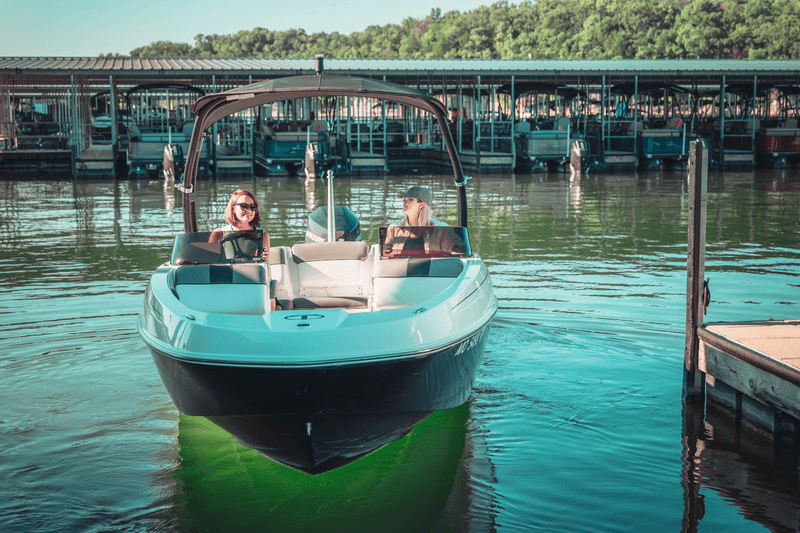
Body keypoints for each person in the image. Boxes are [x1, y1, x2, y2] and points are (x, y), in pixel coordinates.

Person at [384, 186, 465, 255]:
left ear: (421, 205)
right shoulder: (394, 228)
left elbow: (459, 251)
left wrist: (455, 250)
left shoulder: (442, 229)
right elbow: (385, 255)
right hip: (400, 272)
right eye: (404, 198)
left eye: (408, 199)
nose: (403, 201)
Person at [209, 189, 270, 262]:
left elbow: (264, 267)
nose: (249, 210)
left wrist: (263, 258)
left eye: (252, 206)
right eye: (244, 206)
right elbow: (210, 263)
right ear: (233, 208)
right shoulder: (218, 234)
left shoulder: (263, 235)